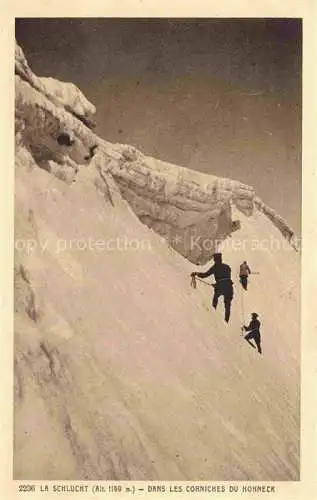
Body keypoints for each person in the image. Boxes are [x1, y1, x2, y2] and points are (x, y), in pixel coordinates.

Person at [191, 253, 234, 322]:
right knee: (227, 305)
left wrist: (196, 273)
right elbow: (225, 278)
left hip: (220, 286)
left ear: (215, 260)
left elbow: (205, 275)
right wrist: (218, 283)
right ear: (221, 259)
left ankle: (213, 315)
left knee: (215, 299)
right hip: (229, 286)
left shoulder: (215, 267)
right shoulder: (227, 267)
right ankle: (226, 321)